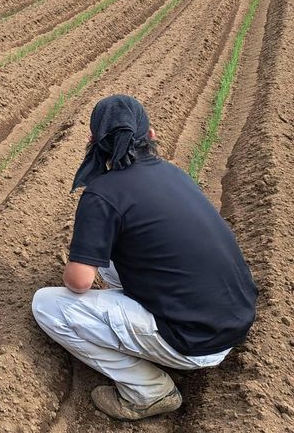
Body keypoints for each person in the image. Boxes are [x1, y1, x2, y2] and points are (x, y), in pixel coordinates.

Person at [32, 95, 257, 421]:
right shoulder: (174, 174)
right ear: (150, 135)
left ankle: (147, 391)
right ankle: (137, 324)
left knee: (47, 305)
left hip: (195, 342)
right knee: (115, 253)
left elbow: (79, 282)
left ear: (92, 142)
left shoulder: (102, 193)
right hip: (232, 321)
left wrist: (77, 267)